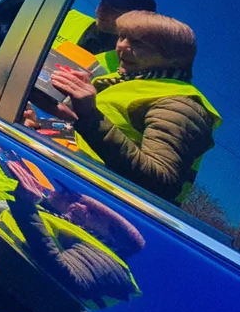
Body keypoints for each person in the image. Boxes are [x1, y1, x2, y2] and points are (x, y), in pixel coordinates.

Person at [50, 11, 221, 203]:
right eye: (121, 37)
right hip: (73, 189)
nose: (121, 45)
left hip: (102, 212)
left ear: (172, 57)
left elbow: (161, 183)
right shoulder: (127, 82)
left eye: (138, 43)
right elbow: (93, 137)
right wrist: (52, 123)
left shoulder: (180, 105)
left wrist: (90, 115)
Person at [51, 0, 157, 74]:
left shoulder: (133, 62)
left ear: (136, 19)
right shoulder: (64, 17)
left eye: (113, 9)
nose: (102, 10)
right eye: (102, 2)